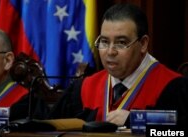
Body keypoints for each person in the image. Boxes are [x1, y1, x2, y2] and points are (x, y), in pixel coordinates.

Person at [48, 3, 181, 127]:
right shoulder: (84, 88)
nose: (110, 52)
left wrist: (134, 120)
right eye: (104, 42)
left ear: (143, 44)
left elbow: (179, 132)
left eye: (121, 43)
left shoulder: (172, 88)